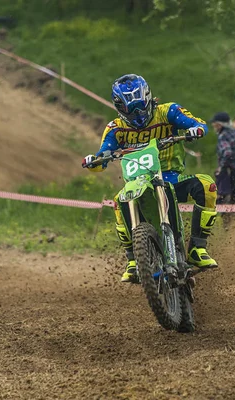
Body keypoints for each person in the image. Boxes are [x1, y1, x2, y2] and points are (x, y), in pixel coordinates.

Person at [82, 74, 218, 283]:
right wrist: (95, 161)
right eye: (130, 109)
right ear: (119, 107)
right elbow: (102, 157)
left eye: (140, 107)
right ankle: (133, 259)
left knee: (206, 185)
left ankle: (197, 248)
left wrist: (195, 129)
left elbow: (199, 123)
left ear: (148, 99)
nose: (137, 114)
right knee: (120, 201)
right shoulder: (116, 128)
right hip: (138, 183)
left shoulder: (168, 111)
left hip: (171, 178)